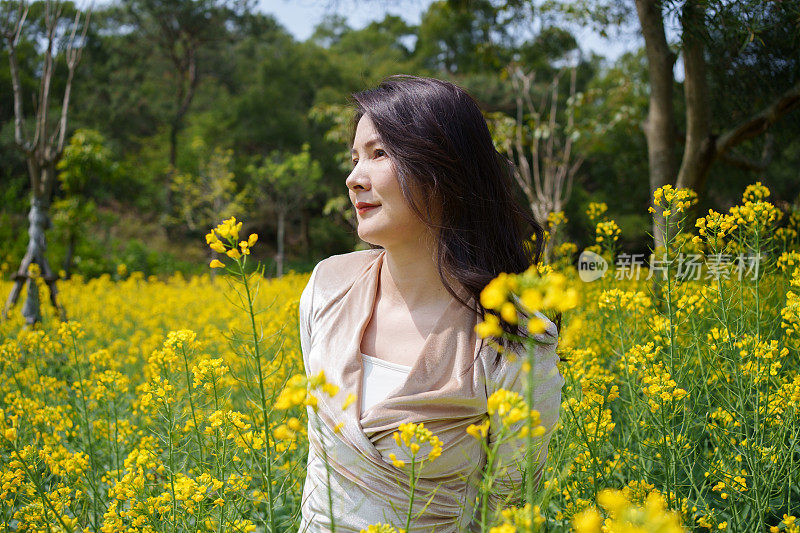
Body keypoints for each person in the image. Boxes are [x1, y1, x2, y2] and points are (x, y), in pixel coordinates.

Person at [297, 75, 564, 533]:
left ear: (444, 171)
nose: (353, 178)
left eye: (379, 154)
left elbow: (510, 508)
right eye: (354, 157)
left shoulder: (512, 334)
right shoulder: (327, 287)